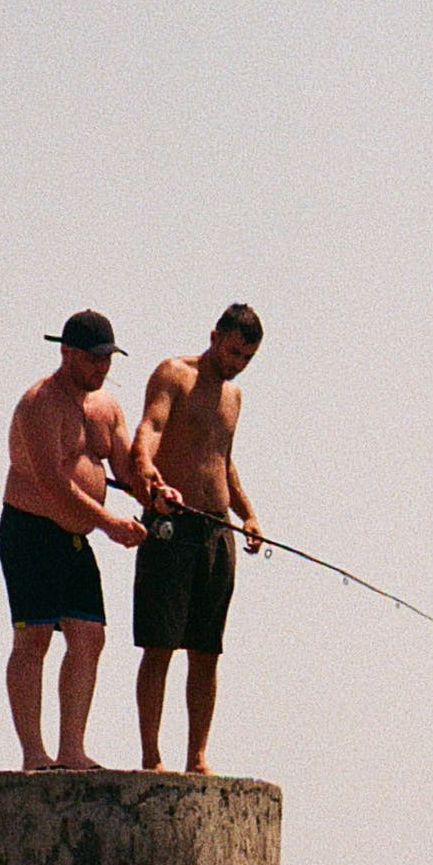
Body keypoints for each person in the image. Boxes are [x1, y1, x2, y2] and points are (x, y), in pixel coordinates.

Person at [0, 311, 169, 772]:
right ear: (67, 353)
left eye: (108, 359)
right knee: (33, 638)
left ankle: (71, 750)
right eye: (94, 359)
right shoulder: (39, 404)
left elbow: (124, 468)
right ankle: (35, 755)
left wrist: (154, 490)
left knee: (89, 636)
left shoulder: (106, 407)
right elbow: (55, 484)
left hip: (75, 536)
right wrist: (110, 524)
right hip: (30, 530)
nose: (102, 368)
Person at [128, 303, 266, 773]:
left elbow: (223, 462)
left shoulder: (235, 397)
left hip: (216, 528)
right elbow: (151, 427)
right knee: (160, 643)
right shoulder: (175, 374)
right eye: (231, 352)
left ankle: (198, 755)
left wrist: (248, 516)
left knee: (207, 650)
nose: (235, 363)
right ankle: (152, 755)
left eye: (245, 358)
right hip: (172, 521)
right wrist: (145, 466)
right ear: (214, 336)